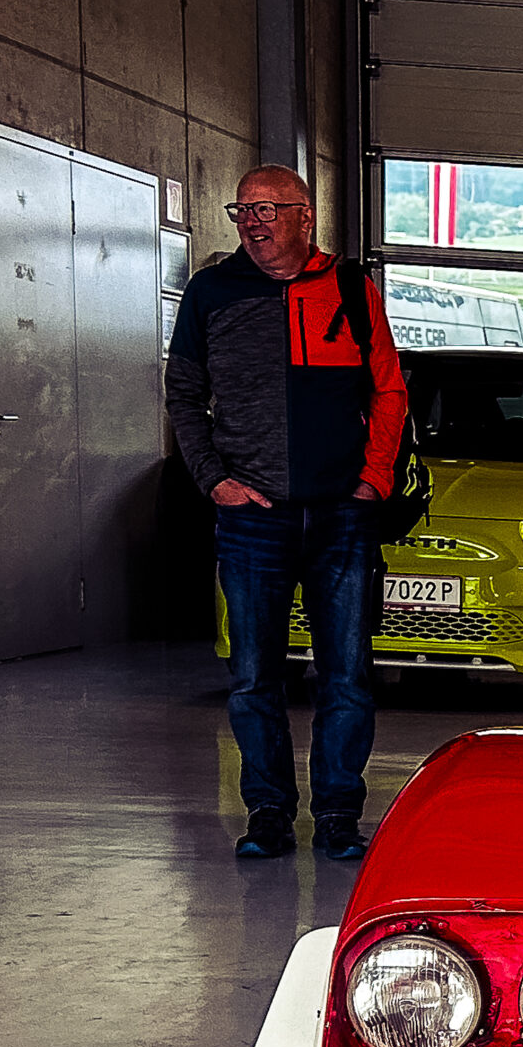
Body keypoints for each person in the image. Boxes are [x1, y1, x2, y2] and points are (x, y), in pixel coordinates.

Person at [168, 166, 406, 862]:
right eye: (243, 209)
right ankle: (268, 812)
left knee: (346, 676)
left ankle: (337, 815)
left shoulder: (352, 288)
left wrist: (374, 479)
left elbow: (389, 390)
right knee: (252, 678)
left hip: (342, 516)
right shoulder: (212, 291)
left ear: (306, 216)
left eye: (268, 208)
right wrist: (214, 481)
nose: (252, 221)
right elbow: (183, 393)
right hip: (251, 516)